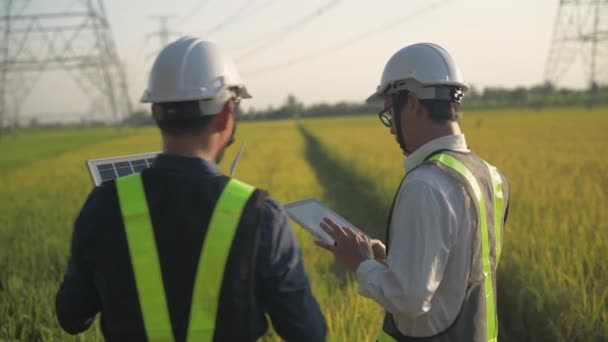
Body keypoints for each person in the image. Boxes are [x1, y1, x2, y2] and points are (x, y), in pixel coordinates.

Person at [56, 36, 326, 341]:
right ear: (226, 115)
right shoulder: (261, 215)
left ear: (155, 111)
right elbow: (309, 334)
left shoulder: (104, 205)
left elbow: (71, 317)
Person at [315, 43, 510, 341]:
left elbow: (409, 299)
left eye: (391, 113)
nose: (392, 129)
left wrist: (361, 264)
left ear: (415, 103)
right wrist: (392, 260)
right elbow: (458, 271)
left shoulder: (426, 184)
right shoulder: (490, 175)